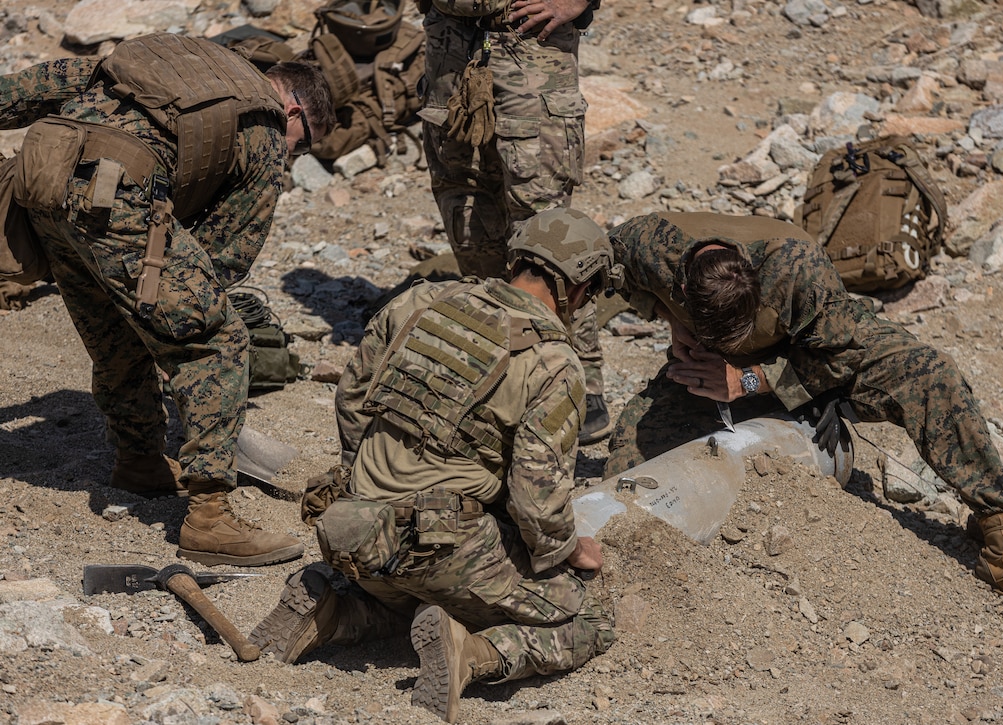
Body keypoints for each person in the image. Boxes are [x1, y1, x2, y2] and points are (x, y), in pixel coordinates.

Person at [606, 211, 1003, 630]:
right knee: (633, 447)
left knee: (932, 374)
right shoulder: (648, 241)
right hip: (714, 368)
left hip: (812, 357)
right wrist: (675, 323)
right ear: (685, 287)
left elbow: (841, 357)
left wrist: (749, 381)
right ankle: (616, 564)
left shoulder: (798, 269)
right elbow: (611, 273)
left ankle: (1000, 536)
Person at [248, 208, 619, 723]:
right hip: (441, 546)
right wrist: (565, 549)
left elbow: (351, 396)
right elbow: (537, 497)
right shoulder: (554, 363)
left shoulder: (421, 300)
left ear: (516, 259)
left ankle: (333, 610)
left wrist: (366, 478)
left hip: (352, 531)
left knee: (417, 595)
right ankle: (473, 654)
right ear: (578, 287)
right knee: (590, 618)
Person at [0, 33, 335, 567]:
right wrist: (179, 314)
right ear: (294, 107)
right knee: (218, 339)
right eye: (306, 141)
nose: (295, 155)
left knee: (115, 327)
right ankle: (210, 518)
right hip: (116, 191)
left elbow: (45, 83)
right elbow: (227, 255)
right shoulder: (266, 123)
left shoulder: (181, 72)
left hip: (41, 178)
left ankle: (139, 462)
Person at [415, 0, 611, 445]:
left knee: (548, 237)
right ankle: (500, 367)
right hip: (450, 53)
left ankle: (578, 379)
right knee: (467, 220)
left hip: (531, 49)